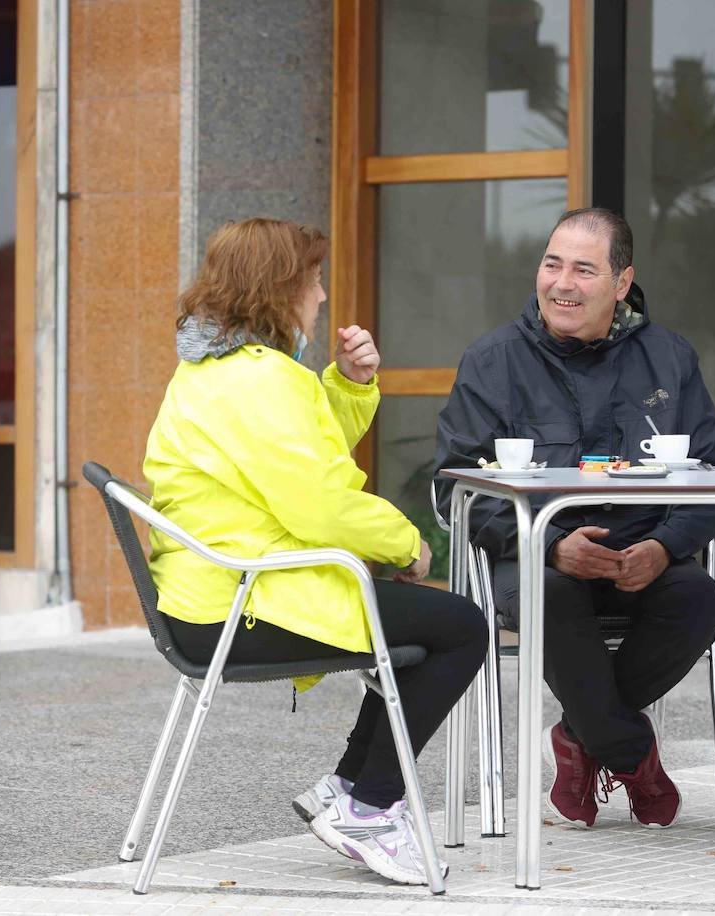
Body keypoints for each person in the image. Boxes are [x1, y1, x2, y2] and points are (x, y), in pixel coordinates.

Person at [144, 217, 488, 885]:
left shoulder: (215, 367)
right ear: (280, 289)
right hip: (243, 604)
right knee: (461, 627)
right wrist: (409, 543)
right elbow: (320, 504)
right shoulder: (259, 379)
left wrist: (349, 383)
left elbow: (298, 456)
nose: (323, 296)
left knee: (414, 625)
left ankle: (352, 787)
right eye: (314, 280)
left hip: (213, 596)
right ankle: (370, 805)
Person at [434, 207, 715, 830]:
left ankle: (580, 737)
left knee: (700, 598)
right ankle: (631, 756)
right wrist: (547, 545)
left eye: (583, 270)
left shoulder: (669, 358)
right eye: (552, 264)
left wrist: (663, 546)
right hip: (535, 562)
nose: (562, 284)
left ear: (622, 283)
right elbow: (453, 488)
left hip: (643, 558)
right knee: (550, 594)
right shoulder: (492, 359)